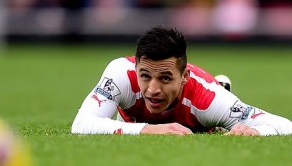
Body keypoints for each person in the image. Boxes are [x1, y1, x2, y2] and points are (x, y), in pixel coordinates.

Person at [71, 26, 292, 136]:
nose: (153, 89)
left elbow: (285, 126)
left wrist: (258, 132)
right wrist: (150, 130)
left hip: (201, 108)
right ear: (136, 67)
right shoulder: (121, 73)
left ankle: (221, 88)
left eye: (165, 78)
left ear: (184, 77)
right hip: (146, 120)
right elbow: (81, 124)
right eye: (145, 76)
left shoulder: (208, 99)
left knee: (211, 121)